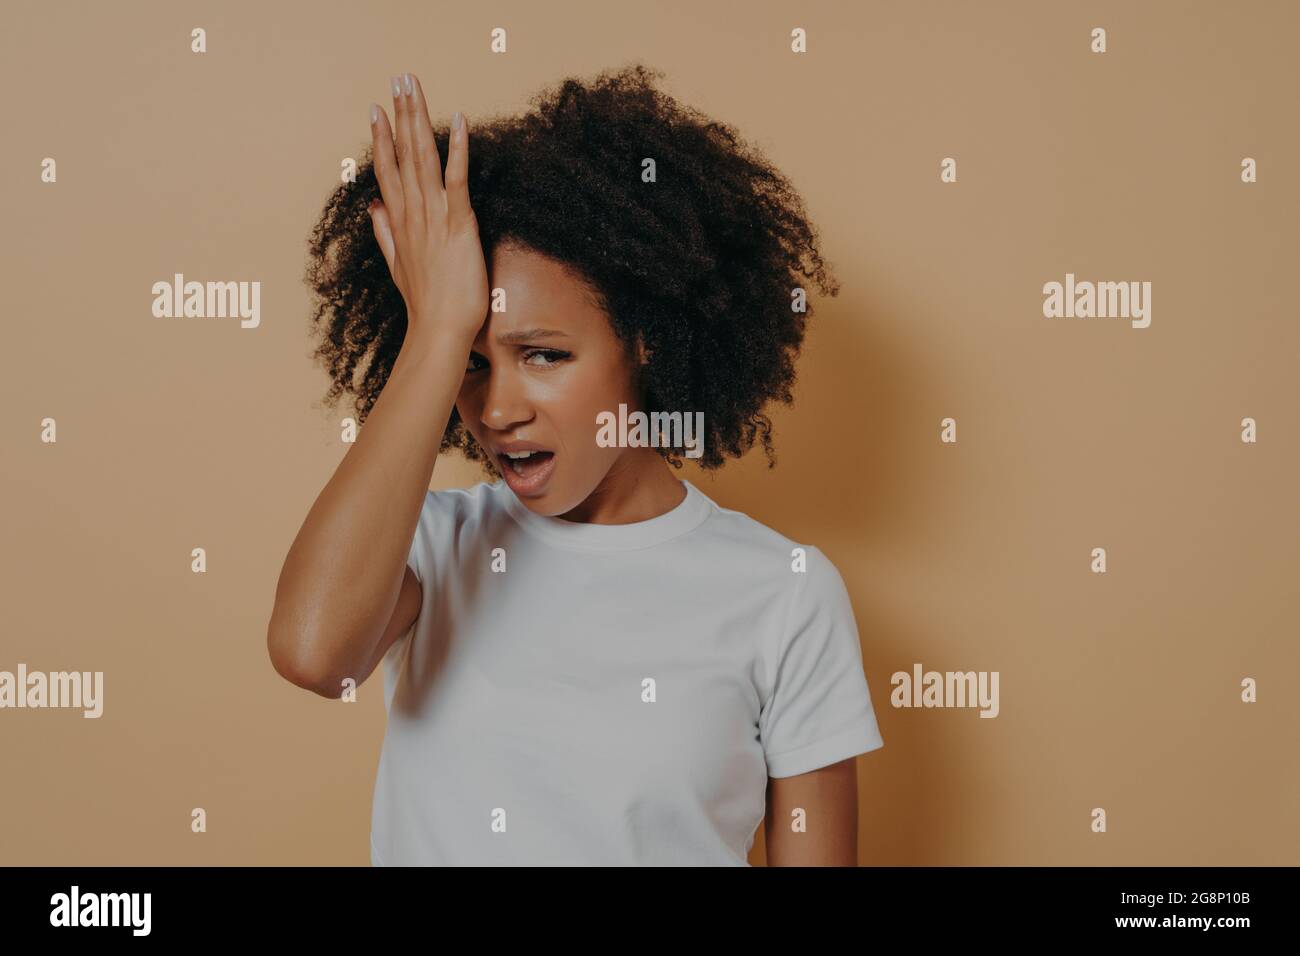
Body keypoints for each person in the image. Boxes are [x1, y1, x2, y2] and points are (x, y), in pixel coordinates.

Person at [268, 64, 884, 866]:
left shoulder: (785, 593)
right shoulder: (431, 549)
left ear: (645, 341)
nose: (497, 410)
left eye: (544, 355)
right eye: (473, 364)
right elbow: (314, 653)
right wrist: (435, 329)